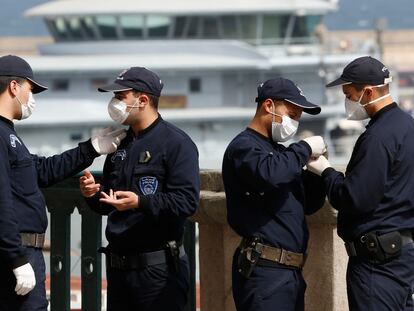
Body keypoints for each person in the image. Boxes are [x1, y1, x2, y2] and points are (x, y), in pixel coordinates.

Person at [0, 54, 126, 310]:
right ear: (14, 87)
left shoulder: (8, 134)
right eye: (30, 89)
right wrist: (16, 258)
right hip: (16, 254)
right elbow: (0, 201)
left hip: (24, 252)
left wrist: (91, 148)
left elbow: (43, 170)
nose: (31, 98)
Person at [79, 67, 200, 311]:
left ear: (143, 100)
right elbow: (111, 201)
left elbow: (187, 202)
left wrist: (140, 202)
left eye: (120, 97)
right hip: (118, 271)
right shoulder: (120, 144)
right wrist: (93, 194)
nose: (114, 103)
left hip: (158, 270)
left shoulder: (177, 143)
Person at [307, 56, 414, 310]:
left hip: (377, 264)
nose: (348, 102)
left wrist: (326, 172)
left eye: (349, 94)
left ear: (367, 92)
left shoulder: (377, 137)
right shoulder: (407, 126)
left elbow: (355, 198)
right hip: (402, 256)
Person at [222, 77, 327, 311]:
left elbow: (307, 205)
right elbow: (269, 174)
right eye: (292, 113)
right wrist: (304, 148)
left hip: (290, 272)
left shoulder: (279, 153)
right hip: (264, 270)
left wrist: (317, 174)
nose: (295, 121)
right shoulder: (245, 147)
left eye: (299, 116)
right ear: (268, 106)